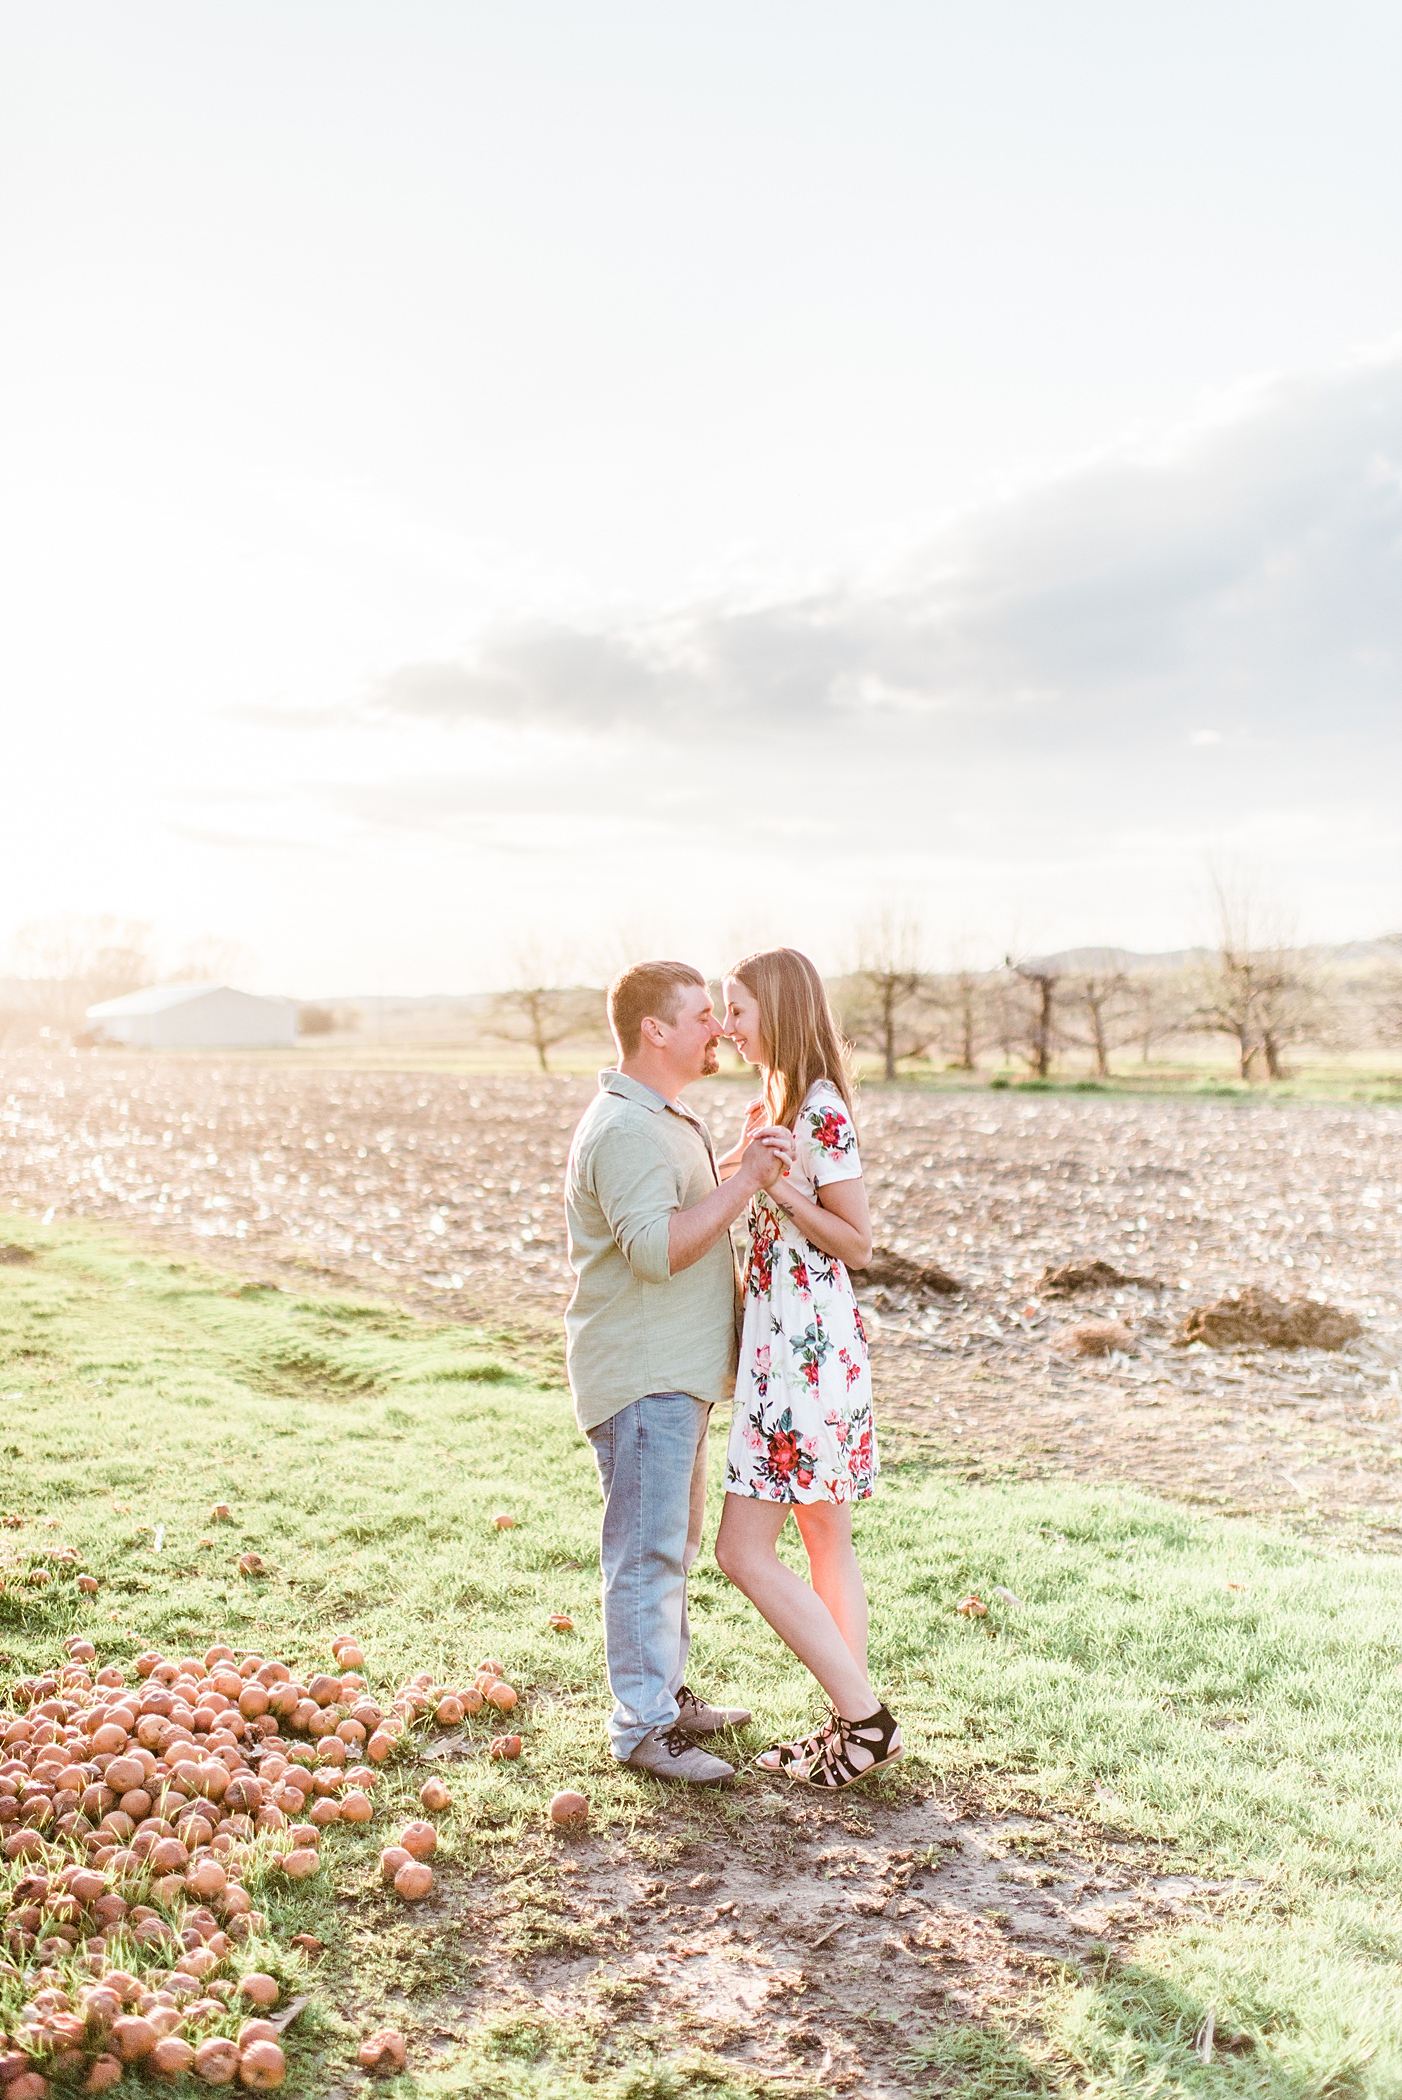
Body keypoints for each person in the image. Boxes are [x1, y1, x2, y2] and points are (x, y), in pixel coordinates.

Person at [563, 959, 795, 1785]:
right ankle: (642, 1730)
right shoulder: (624, 1128)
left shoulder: (660, 1118)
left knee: (670, 1543)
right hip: (641, 1376)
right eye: (702, 1016)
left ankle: (664, 1698)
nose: (720, 1029)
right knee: (646, 1553)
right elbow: (657, 1249)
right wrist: (747, 1182)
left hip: (672, 1375)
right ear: (655, 1030)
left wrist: (732, 1165)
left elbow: (681, 1210)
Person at [713, 946, 903, 1789]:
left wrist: (782, 1189)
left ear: (778, 1011)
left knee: (742, 1551)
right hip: (790, 1346)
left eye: (738, 1010)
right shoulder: (776, 1104)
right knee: (825, 1537)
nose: (726, 1025)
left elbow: (857, 1243)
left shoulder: (820, 1109)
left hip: (801, 1355)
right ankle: (848, 1731)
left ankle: (865, 1722)